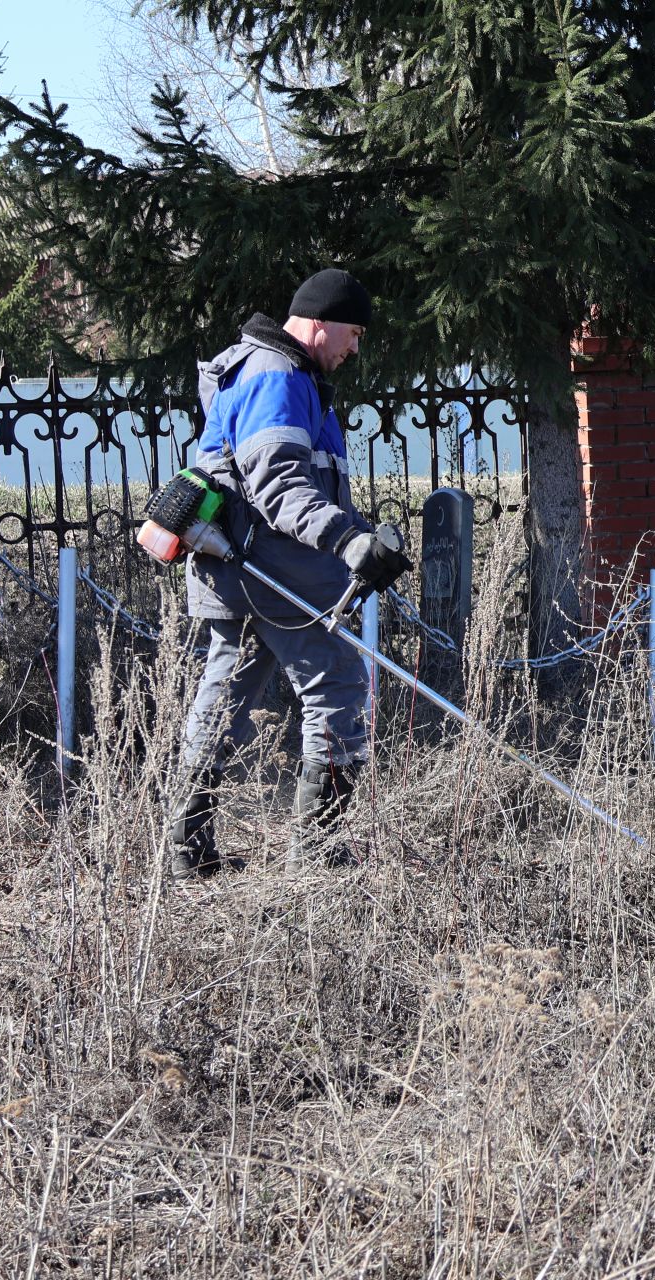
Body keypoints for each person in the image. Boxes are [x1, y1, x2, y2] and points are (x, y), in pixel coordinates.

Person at [166, 268, 410, 878]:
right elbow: (278, 483)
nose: (355, 348)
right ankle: (322, 859)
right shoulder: (279, 376)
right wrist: (346, 540)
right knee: (336, 688)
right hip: (277, 574)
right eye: (352, 333)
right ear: (320, 323)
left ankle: (185, 853)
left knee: (223, 702)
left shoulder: (273, 372)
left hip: (241, 571)